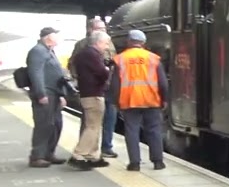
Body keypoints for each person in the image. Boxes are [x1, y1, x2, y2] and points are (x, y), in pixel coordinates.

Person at [110, 29, 167, 171]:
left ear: (129, 42)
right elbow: (163, 83)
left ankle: (134, 163)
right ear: (143, 43)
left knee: (132, 131)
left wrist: (116, 102)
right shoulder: (153, 58)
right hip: (151, 100)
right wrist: (164, 99)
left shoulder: (120, 59)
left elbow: (115, 84)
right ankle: (158, 162)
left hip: (129, 101)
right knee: (154, 130)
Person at [71, 17, 119, 158]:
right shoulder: (83, 45)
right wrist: (78, 81)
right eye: (99, 29)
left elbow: (113, 60)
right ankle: (84, 149)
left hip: (108, 87)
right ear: (90, 30)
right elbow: (74, 64)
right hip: (94, 88)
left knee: (109, 118)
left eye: (104, 29)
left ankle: (104, 148)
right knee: (90, 122)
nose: (102, 31)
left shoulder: (109, 44)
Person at [67, 31, 113, 170]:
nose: (106, 47)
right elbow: (102, 72)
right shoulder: (91, 55)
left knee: (95, 125)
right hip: (93, 94)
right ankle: (78, 155)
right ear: (98, 42)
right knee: (92, 127)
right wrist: (107, 69)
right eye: (105, 44)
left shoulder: (86, 54)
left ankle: (93, 156)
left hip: (90, 93)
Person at [26, 26, 70, 167]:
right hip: (46, 94)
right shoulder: (37, 51)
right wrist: (40, 93)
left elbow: (57, 74)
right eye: (55, 35)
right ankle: (37, 156)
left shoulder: (49, 51)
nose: (58, 38)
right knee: (43, 125)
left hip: (55, 95)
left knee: (56, 125)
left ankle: (49, 153)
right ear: (48, 37)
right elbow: (36, 74)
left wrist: (62, 95)